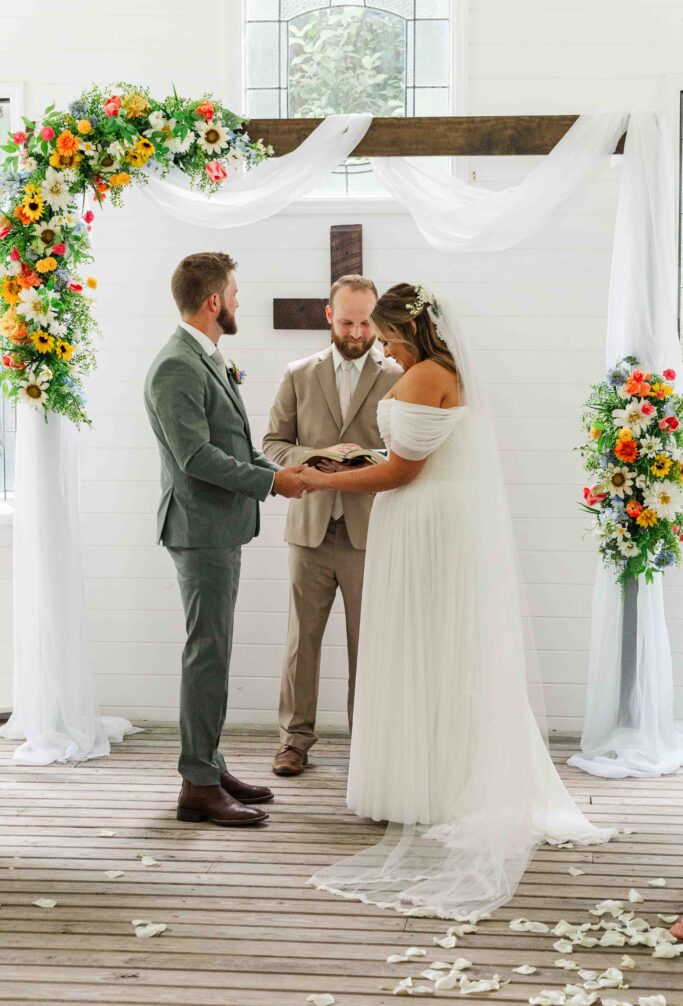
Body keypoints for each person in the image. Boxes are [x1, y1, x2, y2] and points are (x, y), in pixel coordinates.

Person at [301, 283, 614, 919]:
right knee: (433, 648)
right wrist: (360, 464)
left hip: (422, 521)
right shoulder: (441, 372)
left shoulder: (424, 377)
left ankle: (428, 789)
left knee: (424, 648)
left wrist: (319, 477)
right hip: (427, 517)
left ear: (407, 330)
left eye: (388, 336)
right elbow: (407, 456)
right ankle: (427, 777)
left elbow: (401, 472)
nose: (384, 348)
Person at [144, 252, 306, 827]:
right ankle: (197, 787)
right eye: (234, 293)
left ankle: (210, 764)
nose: (237, 301)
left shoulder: (205, 357)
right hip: (199, 528)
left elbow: (232, 443)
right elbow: (195, 458)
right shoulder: (177, 366)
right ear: (213, 300)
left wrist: (282, 472)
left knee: (215, 650)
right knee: (207, 654)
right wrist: (271, 481)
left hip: (218, 526)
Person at [262, 275, 402, 776]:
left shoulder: (396, 375)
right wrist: (319, 456)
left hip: (371, 530)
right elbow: (273, 444)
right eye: (347, 321)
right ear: (329, 316)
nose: (358, 331)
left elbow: (407, 451)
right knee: (303, 641)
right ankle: (294, 741)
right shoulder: (299, 374)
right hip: (311, 530)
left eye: (366, 322)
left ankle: (368, 745)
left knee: (370, 642)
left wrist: (366, 461)